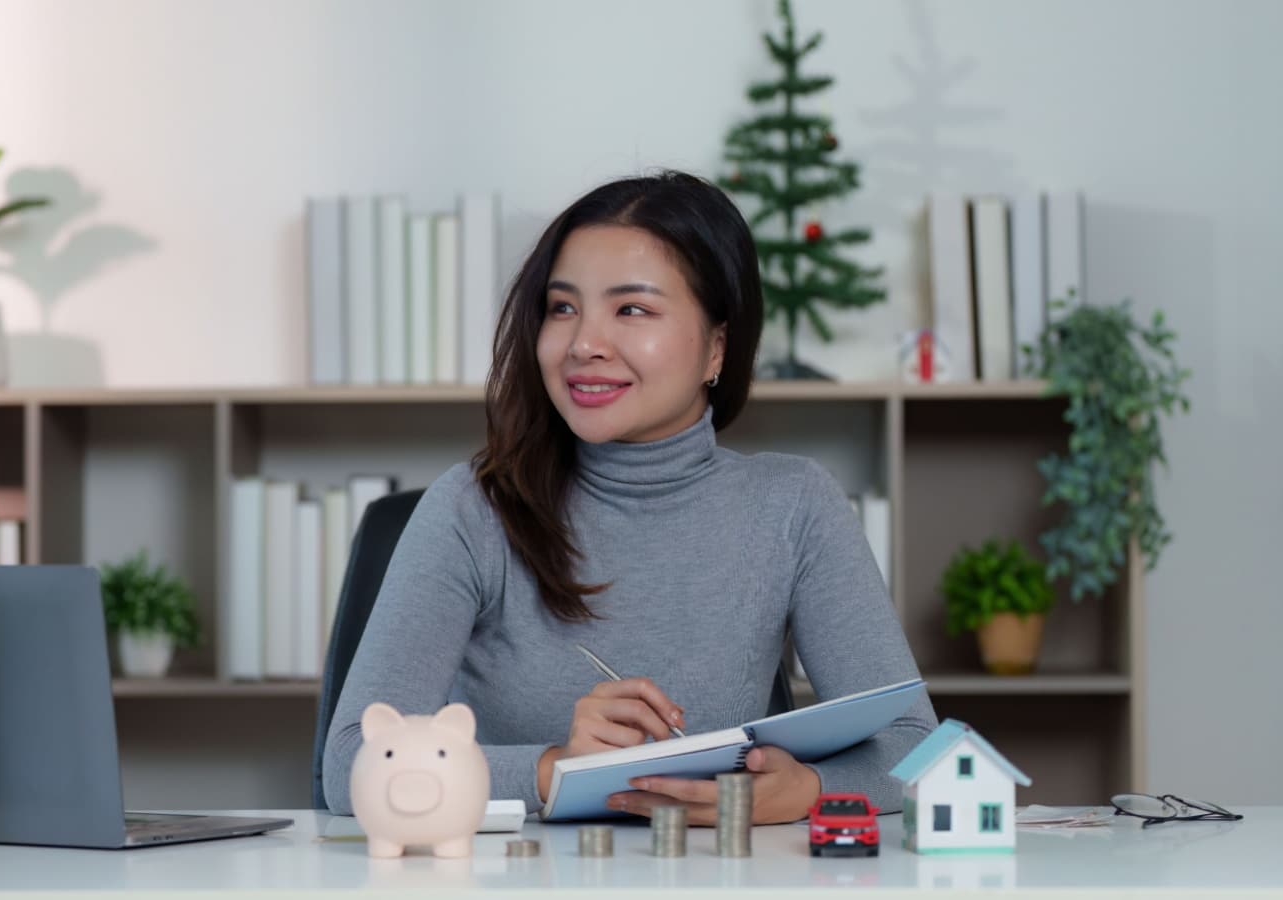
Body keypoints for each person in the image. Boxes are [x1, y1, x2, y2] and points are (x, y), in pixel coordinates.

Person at [323, 170, 936, 824]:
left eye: (632, 309)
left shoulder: (794, 506)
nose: (584, 344)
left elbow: (917, 751)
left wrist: (806, 791)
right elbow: (352, 763)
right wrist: (554, 768)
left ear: (716, 349)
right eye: (563, 308)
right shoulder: (473, 509)